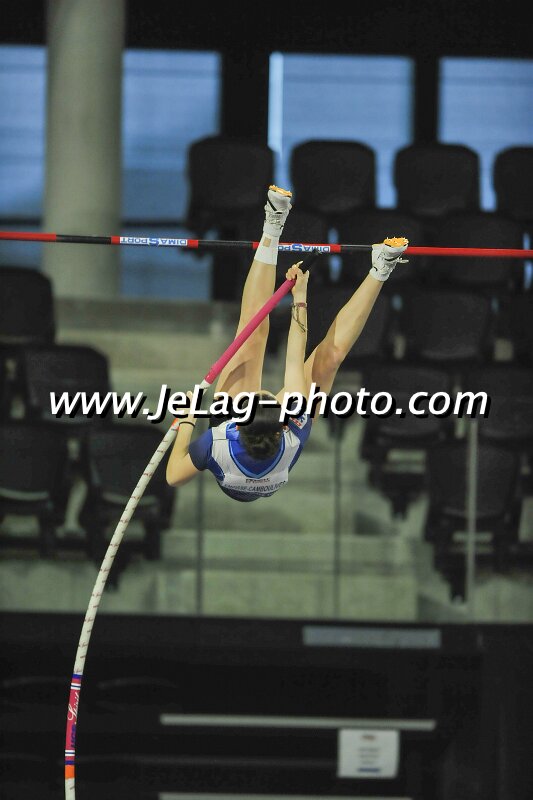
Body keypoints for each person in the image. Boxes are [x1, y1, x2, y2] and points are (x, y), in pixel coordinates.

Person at [166, 185, 408, 501]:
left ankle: (273, 225)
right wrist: (300, 297)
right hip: (265, 444)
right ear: (283, 422)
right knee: (330, 358)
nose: (262, 391)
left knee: (252, 332)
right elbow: (295, 356)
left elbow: (174, 476)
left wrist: (187, 418)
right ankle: (381, 268)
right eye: (267, 398)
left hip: (239, 449)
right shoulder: (295, 428)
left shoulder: (218, 440)